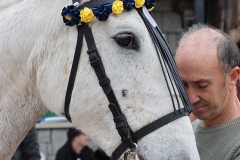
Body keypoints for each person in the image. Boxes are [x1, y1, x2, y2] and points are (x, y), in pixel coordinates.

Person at [175, 24, 240, 160]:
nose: (191, 99)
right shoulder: (192, 128)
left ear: (233, 77)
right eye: (183, 85)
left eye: (202, 85)